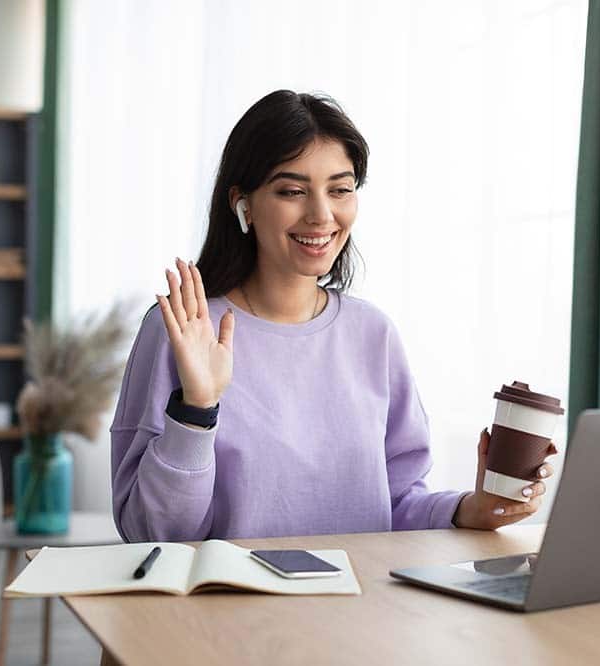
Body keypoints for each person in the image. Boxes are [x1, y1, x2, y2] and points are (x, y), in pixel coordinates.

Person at [110, 90, 554, 542]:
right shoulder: (183, 331)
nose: (321, 215)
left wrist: (469, 509)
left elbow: (396, 504)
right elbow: (152, 534)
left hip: (362, 604)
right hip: (231, 608)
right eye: (292, 191)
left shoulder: (372, 334)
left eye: (340, 189)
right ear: (242, 203)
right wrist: (196, 410)